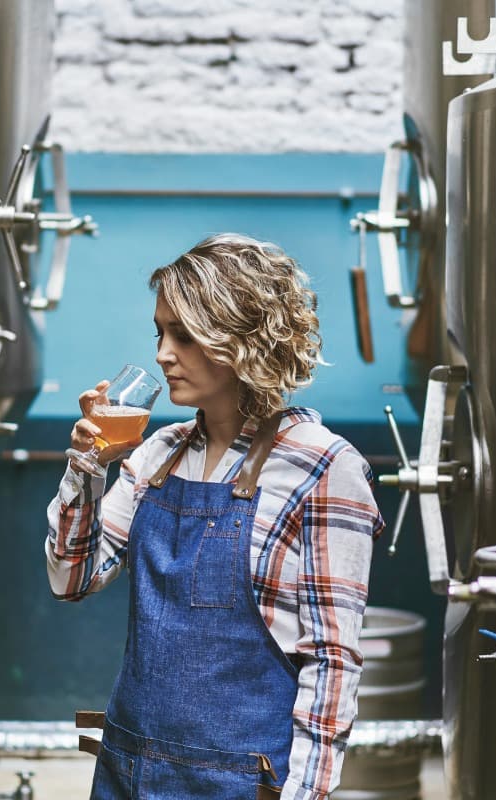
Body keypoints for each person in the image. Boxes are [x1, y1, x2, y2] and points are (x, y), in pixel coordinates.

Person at [45, 234, 384, 800]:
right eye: (160, 333)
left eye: (183, 334)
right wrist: (87, 469)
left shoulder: (324, 468)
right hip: (126, 770)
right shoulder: (156, 454)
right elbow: (70, 580)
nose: (161, 353)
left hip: (240, 785)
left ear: (241, 338)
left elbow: (333, 663)